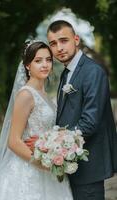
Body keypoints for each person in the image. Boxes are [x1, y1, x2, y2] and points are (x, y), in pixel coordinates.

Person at [0, 41, 73, 200]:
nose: (45, 65)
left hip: (49, 165)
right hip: (29, 169)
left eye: (48, 60)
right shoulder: (26, 95)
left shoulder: (45, 95)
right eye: (38, 61)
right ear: (27, 65)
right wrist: (42, 163)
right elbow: (13, 141)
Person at [46, 20, 117, 200]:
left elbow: (89, 122)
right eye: (53, 43)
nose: (59, 47)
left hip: (89, 166)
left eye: (64, 40)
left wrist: (55, 145)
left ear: (76, 39)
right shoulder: (67, 72)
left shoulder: (93, 72)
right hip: (73, 164)